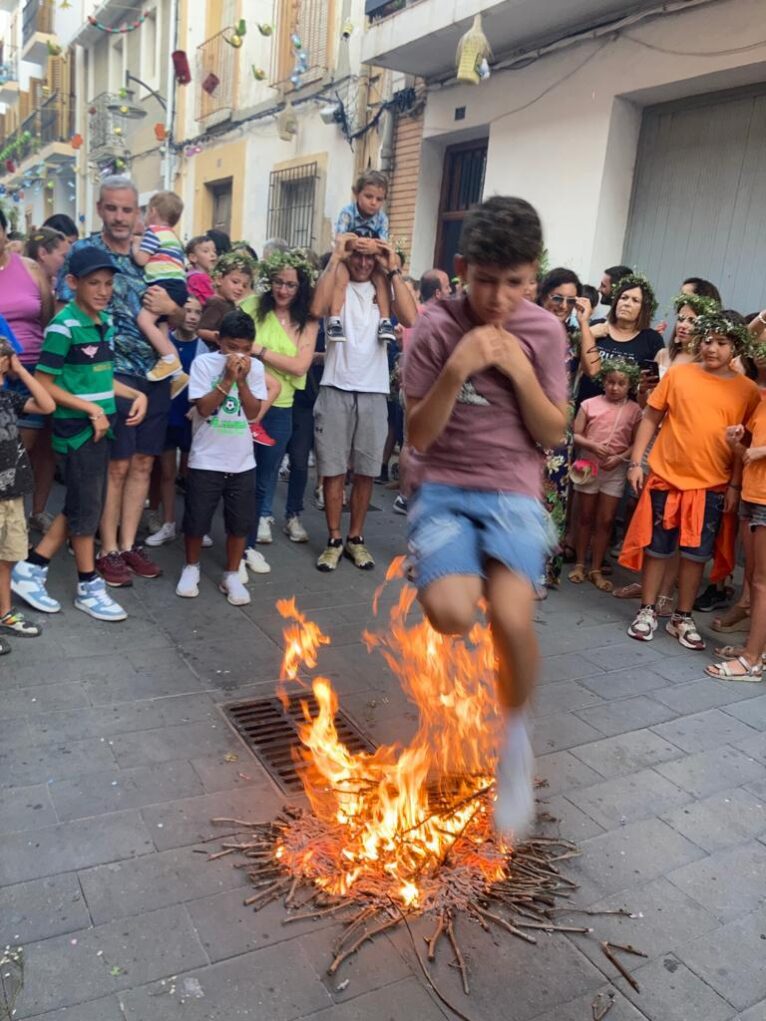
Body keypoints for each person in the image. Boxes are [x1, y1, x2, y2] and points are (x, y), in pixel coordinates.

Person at [403, 195, 568, 839]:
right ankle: (507, 714)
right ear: (463, 267)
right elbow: (418, 433)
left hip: (514, 493)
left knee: (510, 616)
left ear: (533, 276)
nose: (499, 298)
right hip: (443, 487)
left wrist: (518, 371)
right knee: (449, 613)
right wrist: (459, 369)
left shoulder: (545, 331)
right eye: (485, 280)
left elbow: (553, 433)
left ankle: (516, 741)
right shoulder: (434, 327)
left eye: (516, 283)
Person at [12, 246, 147, 621]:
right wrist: (89, 410)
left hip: (102, 426)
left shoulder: (104, 323)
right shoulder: (63, 326)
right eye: (94, 283)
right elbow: (44, 384)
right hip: (78, 429)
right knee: (87, 509)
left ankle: (33, 566)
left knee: (83, 504)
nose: (103, 290)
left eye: (108, 283)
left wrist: (135, 393)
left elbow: (102, 378)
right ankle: (89, 586)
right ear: (73, 284)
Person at [57, 175, 180, 588]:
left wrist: (173, 308)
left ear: (139, 211)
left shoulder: (156, 251)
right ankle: (107, 548)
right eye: (112, 208)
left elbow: (185, 313)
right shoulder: (84, 253)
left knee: (144, 462)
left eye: (128, 209)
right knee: (116, 465)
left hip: (156, 373)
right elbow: (64, 314)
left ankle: (129, 544)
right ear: (99, 209)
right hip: (111, 373)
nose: (120, 217)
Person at [620, 312, 761, 649]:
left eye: (721, 342)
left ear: (736, 347)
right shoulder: (679, 375)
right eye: (708, 340)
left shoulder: (748, 391)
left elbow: (746, 443)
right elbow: (651, 417)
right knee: (658, 548)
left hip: (711, 486)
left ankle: (682, 616)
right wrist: (636, 462)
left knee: (696, 555)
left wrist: (734, 486)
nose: (712, 348)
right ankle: (648, 609)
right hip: (666, 478)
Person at [311, 231, 418, 572]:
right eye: (356, 255)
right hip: (335, 386)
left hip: (372, 390)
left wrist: (393, 268)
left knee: (367, 471)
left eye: (368, 257)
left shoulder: (383, 287)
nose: (361, 262)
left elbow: (413, 319)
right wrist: (335, 257)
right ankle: (332, 539)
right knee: (332, 470)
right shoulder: (336, 279)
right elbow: (316, 308)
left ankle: (355, 539)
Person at [176, 310, 266, 605]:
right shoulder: (204, 363)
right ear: (219, 341)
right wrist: (228, 377)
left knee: (240, 522)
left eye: (244, 348)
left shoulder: (257, 369)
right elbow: (203, 408)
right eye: (231, 347)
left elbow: (252, 413)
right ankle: (191, 567)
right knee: (196, 518)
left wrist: (242, 381)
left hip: (241, 459)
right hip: (206, 457)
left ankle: (231, 573)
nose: (238, 354)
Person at [245, 250, 319, 562]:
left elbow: (300, 366)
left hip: (284, 402)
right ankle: (242, 522)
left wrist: (258, 349)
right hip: (247, 395)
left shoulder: (308, 320)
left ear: (301, 287)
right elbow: (231, 338)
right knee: (242, 464)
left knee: (271, 464)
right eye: (278, 282)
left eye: (291, 284)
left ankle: (263, 516)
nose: (284, 290)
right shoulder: (252, 306)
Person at [537, 267, 599, 583]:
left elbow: (593, 369)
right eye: (556, 297)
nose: (562, 305)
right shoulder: (527, 328)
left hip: (558, 432)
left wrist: (585, 321)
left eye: (570, 300)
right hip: (523, 423)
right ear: (544, 296)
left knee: (552, 499)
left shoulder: (577, 336)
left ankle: (544, 568)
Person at [705, 363, 766, 680]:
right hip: (753, 494)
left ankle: (752, 661)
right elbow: (749, 453)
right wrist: (737, 443)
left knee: (762, 582)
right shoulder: (761, 398)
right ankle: (755, 649)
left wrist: (762, 451)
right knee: (756, 580)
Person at [0, 210, 55, 535]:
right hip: (3, 374)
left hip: (37, 369)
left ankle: (36, 511)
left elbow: (46, 317)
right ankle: (11, 520)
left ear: (6, 232)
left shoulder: (31, 269)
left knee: (43, 446)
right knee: (14, 449)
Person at [569, 358, 642, 591]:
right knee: (585, 516)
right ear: (604, 382)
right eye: (611, 382)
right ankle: (580, 563)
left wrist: (620, 458)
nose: (615, 387)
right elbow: (576, 433)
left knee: (606, 520)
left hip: (615, 469)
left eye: (621, 383)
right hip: (587, 466)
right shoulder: (589, 404)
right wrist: (592, 446)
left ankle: (596, 568)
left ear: (629, 385)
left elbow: (637, 442)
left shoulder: (635, 410)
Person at [0, 339, 54, 651]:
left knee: (7, 557)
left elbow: (47, 405)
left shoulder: (8, 397)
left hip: (12, 492)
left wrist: (21, 370)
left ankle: (4, 612)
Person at [146, 295, 207, 547]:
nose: (192, 316)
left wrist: (198, 406)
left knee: (196, 475)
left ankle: (196, 527)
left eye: (197, 312)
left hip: (193, 418)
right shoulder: (164, 341)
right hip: (168, 416)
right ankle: (168, 523)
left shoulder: (204, 348)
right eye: (188, 310)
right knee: (168, 473)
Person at [325, 171, 396, 346]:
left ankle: (385, 321)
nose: (373, 202)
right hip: (348, 259)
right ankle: (334, 319)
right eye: (368, 196)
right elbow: (340, 240)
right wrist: (354, 244)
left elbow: (383, 244)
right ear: (357, 194)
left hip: (370, 261)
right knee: (340, 277)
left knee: (381, 279)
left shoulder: (382, 219)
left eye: (379, 199)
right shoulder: (347, 213)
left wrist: (374, 247)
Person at [578, 273, 664, 405]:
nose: (627, 304)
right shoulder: (596, 327)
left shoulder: (652, 340)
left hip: (626, 418)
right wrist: (588, 334)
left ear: (644, 309)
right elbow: (589, 370)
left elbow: (653, 389)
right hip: (587, 412)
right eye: (623, 298)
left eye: (635, 300)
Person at [132, 190, 188, 388]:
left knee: (144, 320)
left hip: (164, 285)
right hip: (178, 286)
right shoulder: (174, 237)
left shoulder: (153, 232)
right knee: (161, 331)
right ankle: (178, 373)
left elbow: (141, 259)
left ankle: (169, 362)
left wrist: (135, 244)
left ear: (153, 211)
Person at [185, 235, 218, 305]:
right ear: (193, 257)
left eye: (214, 251)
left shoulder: (197, 276)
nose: (213, 255)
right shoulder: (199, 277)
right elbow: (214, 302)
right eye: (206, 251)